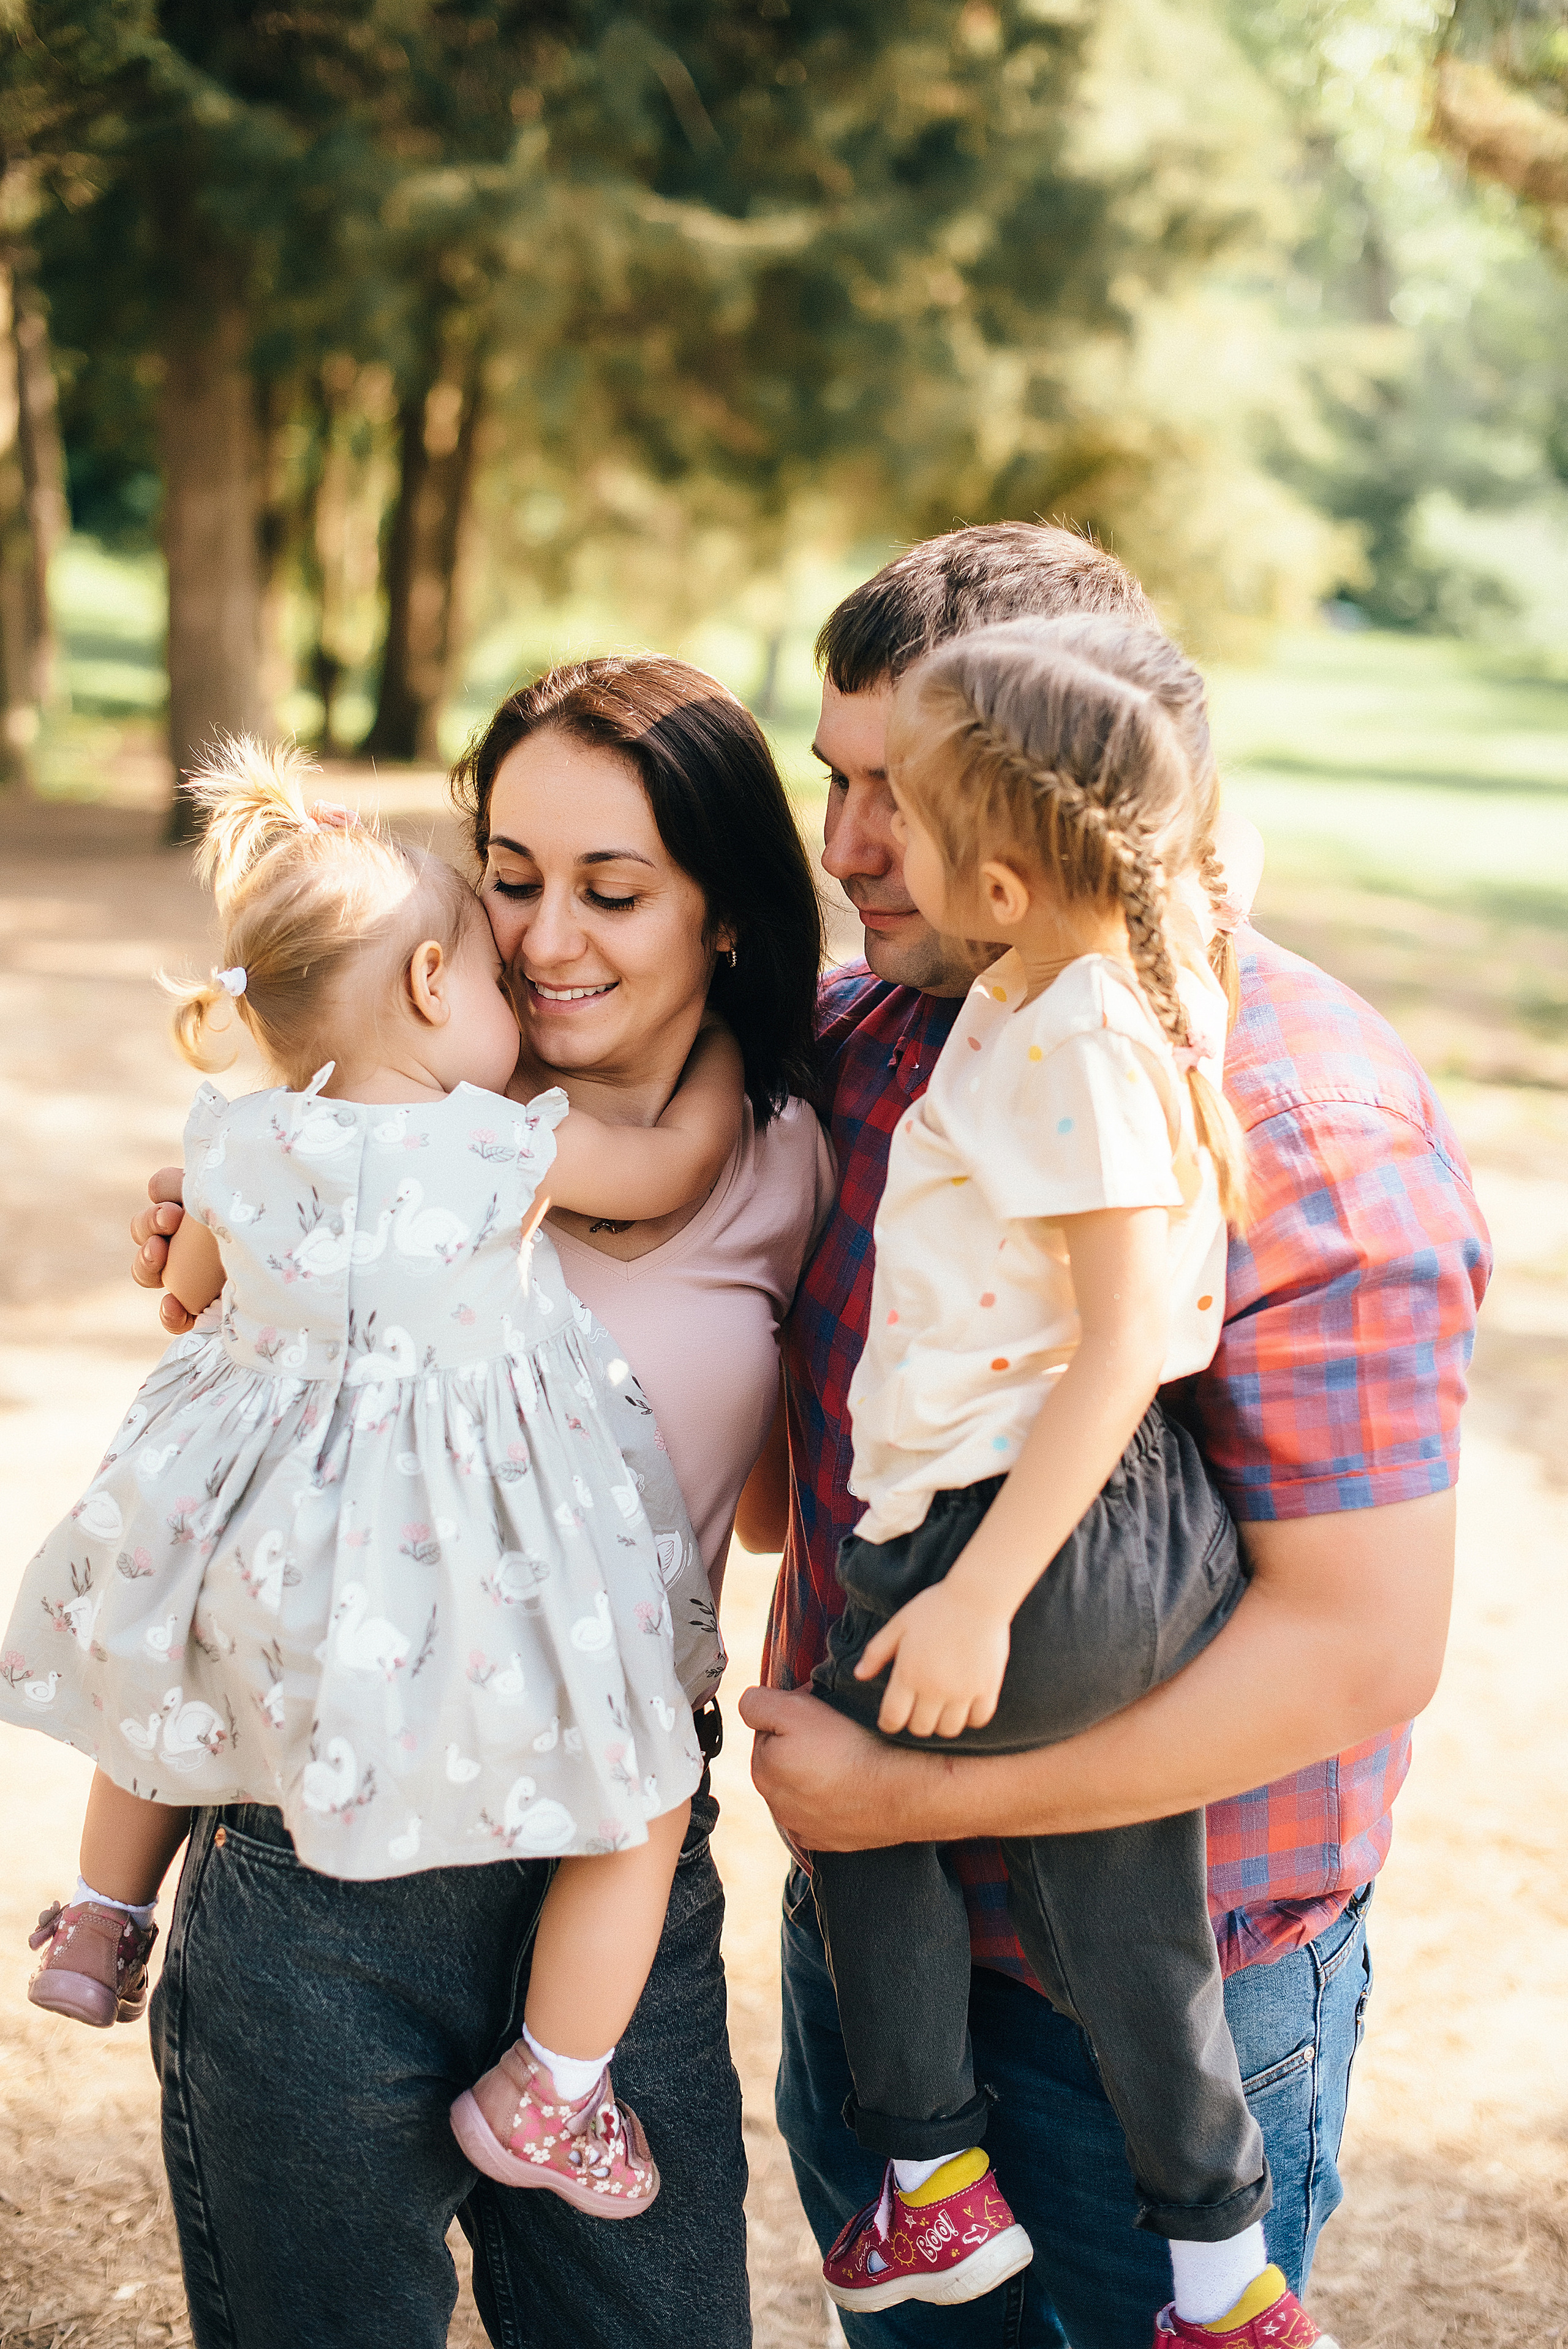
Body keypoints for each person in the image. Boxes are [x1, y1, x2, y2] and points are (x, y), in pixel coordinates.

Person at [736, 524, 1491, 2349]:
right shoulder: (896, 1035)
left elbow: (1360, 1649)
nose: (846, 849)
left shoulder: (1303, 1122)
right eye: (833, 781)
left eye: (894, 793)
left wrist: (901, 1798)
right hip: (879, 1934)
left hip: (1149, 2003)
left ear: (1041, 795)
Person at [126, 660, 834, 2347]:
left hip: (619, 1864)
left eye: (613, 889)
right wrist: (200, 1248)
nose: (544, 935)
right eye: (511, 874)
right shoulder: (367, 1116)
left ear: (724, 909)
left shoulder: (790, 1155)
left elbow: (759, 1521)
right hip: (316, 1869)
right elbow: (209, 1397)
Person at [9, 733, 743, 2215]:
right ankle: (556, 2083)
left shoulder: (234, 1136)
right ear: (428, 990)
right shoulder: (501, 1148)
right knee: (647, 1788)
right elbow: (670, 1171)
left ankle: (98, 1919)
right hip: (459, 1587)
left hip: (254, 1542)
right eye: (488, 965)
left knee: (173, 1675)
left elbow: (188, 1299)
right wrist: (721, 1058)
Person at [807, 613, 1332, 2347]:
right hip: (1086, 1534)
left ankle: (934, 2182)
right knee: (1127, 1911)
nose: (867, 845)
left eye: (914, 809)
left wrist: (976, 1594)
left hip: (1029, 1527)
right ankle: (1220, 2276)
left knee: (841, 1769)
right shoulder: (1094, 968)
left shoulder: (1080, 1038)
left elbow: (1120, 1347)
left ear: (1013, 884)